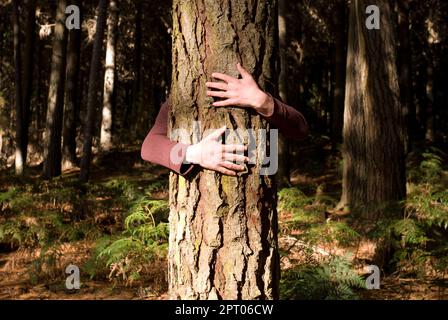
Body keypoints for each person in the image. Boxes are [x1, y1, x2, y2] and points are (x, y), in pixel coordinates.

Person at [141, 63, 308, 176]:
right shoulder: (184, 98)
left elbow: (301, 129)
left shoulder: (258, 88)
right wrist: (194, 153)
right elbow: (149, 146)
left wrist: (263, 102)